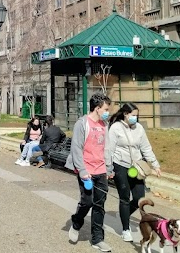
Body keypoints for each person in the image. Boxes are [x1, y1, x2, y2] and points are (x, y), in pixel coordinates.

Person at [106, 103, 161, 243]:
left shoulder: (139, 128)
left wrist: (155, 164)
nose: (135, 118)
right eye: (133, 115)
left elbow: (146, 147)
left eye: (137, 115)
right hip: (120, 165)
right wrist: (108, 168)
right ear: (125, 114)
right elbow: (109, 149)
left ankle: (124, 214)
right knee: (124, 197)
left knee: (139, 198)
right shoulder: (115, 128)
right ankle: (126, 229)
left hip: (136, 167)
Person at [66, 92, 114, 252]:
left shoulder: (104, 125)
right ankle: (76, 222)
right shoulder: (82, 123)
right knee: (87, 202)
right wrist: (82, 170)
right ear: (97, 108)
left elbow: (106, 148)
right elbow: (76, 148)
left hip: (100, 170)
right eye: (106, 109)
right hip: (86, 170)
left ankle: (97, 239)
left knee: (99, 205)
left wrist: (109, 168)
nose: (108, 112)